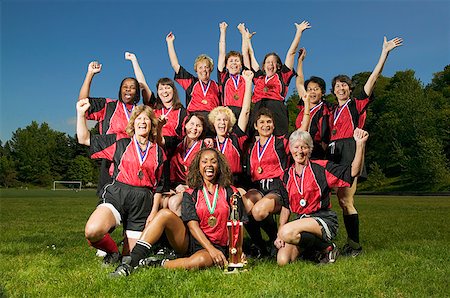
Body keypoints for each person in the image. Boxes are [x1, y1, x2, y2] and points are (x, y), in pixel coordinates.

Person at [110, 148, 248, 276]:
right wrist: (210, 249)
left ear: (220, 166)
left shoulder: (232, 193)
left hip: (218, 245)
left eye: (213, 161)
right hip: (191, 241)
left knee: (199, 260)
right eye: (204, 161)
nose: (209, 165)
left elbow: (238, 225)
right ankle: (131, 262)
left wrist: (237, 251)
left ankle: (156, 263)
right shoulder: (191, 193)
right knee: (164, 214)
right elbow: (192, 226)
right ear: (198, 166)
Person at [327, 36, 402, 257]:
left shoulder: (356, 103)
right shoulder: (331, 111)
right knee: (333, 200)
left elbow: (373, 78)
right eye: (336, 86)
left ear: (350, 89)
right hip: (332, 152)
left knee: (346, 200)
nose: (340, 88)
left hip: (349, 150)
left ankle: (355, 245)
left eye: (343, 85)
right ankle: (327, 242)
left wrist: (384, 53)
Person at [76, 101, 166, 265]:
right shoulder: (119, 142)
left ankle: (124, 252)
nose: (142, 122)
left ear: (152, 125)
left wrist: (153, 213)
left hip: (142, 201)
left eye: (146, 119)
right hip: (118, 194)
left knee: (131, 259)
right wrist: (81, 115)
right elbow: (84, 139)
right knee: (92, 231)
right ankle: (112, 252)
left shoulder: (159, 152)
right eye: (139, 118)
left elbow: (159, 186)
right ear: (133, 123)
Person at [242, 55, 312, 258]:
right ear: (255, 125)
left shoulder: (281, 141)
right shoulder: (250, 145)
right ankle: (261, 247)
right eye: (261, 122)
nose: (265, 126)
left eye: (269, 123)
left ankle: (274, 237)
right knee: (244, 204)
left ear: (273, 124)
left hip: (276, 187)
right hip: (258, 187)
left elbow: (303, 128)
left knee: (258, 212)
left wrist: (306, 106)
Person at [276, 128, 369, 266]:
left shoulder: (322, 168)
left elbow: (353, 172)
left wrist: (360, 144)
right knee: (283, 260)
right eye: (296, 147)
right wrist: (279, 235)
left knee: (286, 232)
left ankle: (328, 248)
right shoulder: (285, 176)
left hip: (323, 219)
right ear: (290, 149)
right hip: (301, 220)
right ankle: (314, 249)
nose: (300, 151)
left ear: (310, 149)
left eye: (304, 147)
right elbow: (286, 207)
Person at [240, 21, 311, 136]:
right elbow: (249, 55)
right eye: (268, 62)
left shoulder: (282, 76)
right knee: (256, 141)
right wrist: (246, 38)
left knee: (278, 141)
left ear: (278, 66)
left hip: (277, 110)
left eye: (274, 62)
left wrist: (299, 32)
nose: (271, 64)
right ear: (264, 65)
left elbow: (291, 53)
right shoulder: (258, 78)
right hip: (259, 108)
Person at [208, 69, 253, 186]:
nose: (222, 123)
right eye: (218, 120)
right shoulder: (210, 143)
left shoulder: (236, 137)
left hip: (236, 182)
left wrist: (248, 83)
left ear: (230, 123)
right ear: (213, 123)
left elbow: (246, 112)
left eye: (225, 120)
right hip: (215, 182)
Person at [166, 32, 220, 118]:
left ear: (210, 69)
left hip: (212, 119)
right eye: (200, 67)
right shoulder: (191, 82)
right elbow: (175, 65)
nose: (204, 70)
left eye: (206, 67)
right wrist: (170, 43)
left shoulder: (217, 86)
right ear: (196, 70)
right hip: (194, 118)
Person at [166, 113, 208, 215]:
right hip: (176, 186)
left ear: (202, 129)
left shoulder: (205, 147)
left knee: (173, 203)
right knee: (163, 201)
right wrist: (175, 187)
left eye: (198, 126)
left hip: (196, 188)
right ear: (185, 125)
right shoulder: (176, 144)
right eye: (192, 124)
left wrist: (187, 187)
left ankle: (186, 229)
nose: (194, 128)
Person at [295, 48, 331, 159]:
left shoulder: (326, 108)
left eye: (316, 89)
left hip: (316, 149)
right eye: (309, 89)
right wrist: (300, 61)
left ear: (323, 92)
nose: (312, 92)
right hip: (299, 148)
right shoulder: (304, 103)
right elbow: (299, 82)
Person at [217, 21, 247, 120]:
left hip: (243, 112)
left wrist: (243, 34)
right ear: (226, 65)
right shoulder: (224, 77)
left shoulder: (245, 76)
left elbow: (245, 53)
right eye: (231, 61)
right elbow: (222, 53)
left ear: (241, 65)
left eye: (237, 61)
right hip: (227, 114)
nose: (234, 63)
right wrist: (223, 32)